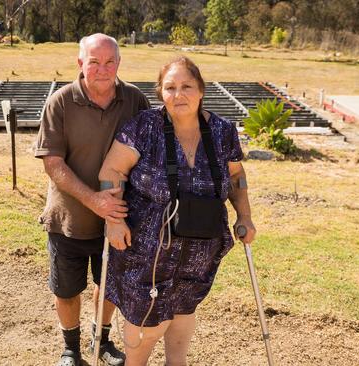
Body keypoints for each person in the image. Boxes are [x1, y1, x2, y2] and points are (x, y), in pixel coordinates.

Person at [98, 56, 256, 365]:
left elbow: (237, 176)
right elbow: (110, 173)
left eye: (186, 86)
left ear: (201, 91)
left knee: (184, 308)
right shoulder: (144, 127)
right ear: (160, 92)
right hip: (145, 250)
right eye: (170, 87)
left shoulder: (222, 131)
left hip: (200, 248)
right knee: (145, 317)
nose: (178, 95)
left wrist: (245, 216)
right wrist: (113, 221)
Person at [34, 33, 150, 366]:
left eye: (109, 61)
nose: (102, 69)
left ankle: (101, 340)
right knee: (67, 289)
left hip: (117, 218)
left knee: (109, 284)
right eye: (94, 62)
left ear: (119, 63)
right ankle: (70, 348)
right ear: (80, 63)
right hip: (68, 217)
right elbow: (52, 162)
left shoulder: (134, 100)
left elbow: (147, 153)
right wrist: (93, 200)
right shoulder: (60, 102)